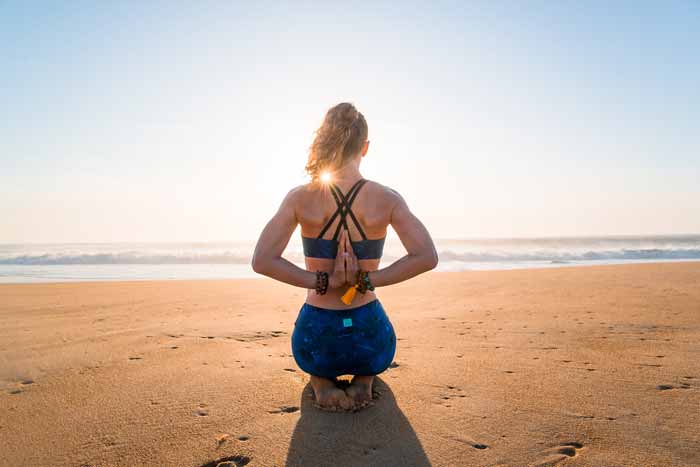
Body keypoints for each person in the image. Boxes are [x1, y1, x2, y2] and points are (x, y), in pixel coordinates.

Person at [252, 102, 438, 411]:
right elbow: (426, 256)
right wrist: (367, 279)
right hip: (370, 336)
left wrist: (322, 280)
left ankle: (322, 382)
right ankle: (364, 380)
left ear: (325, 139)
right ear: (364, 147)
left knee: (316, 358)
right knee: (371, 353)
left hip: (316, 339)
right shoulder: (387, 199)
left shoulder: (301, 197)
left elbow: (262, 260)